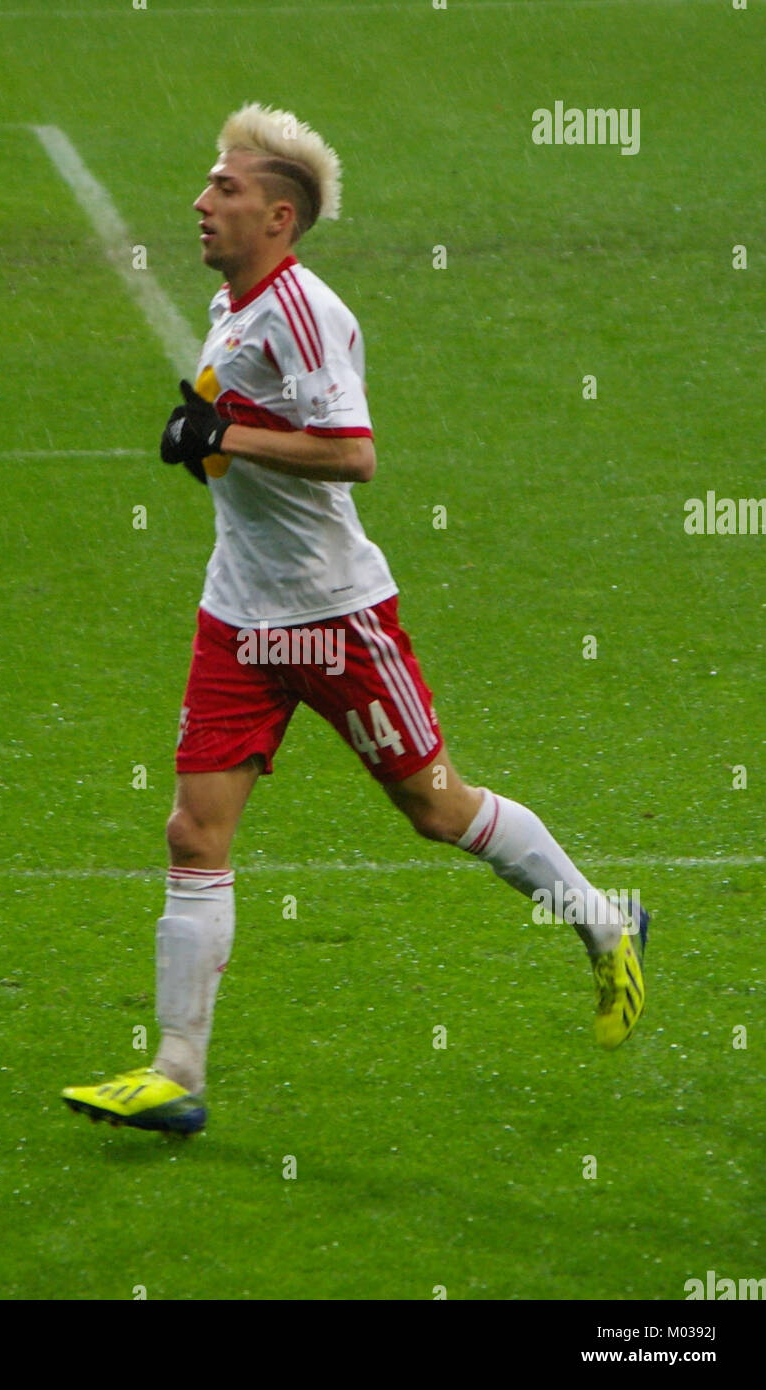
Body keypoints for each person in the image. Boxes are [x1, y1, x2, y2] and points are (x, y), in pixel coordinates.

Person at [62, 103, 648, 1136]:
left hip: (333, 617)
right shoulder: (234, 303)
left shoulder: (305, 312)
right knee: (194, 832)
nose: (200, 202)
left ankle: (604, 924)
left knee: (436, 808)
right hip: (237, 616)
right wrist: (211, 439)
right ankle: (175, 1074)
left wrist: (225, 434)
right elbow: (241, 438)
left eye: (224, 189)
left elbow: (351, 452)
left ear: (278, 216)